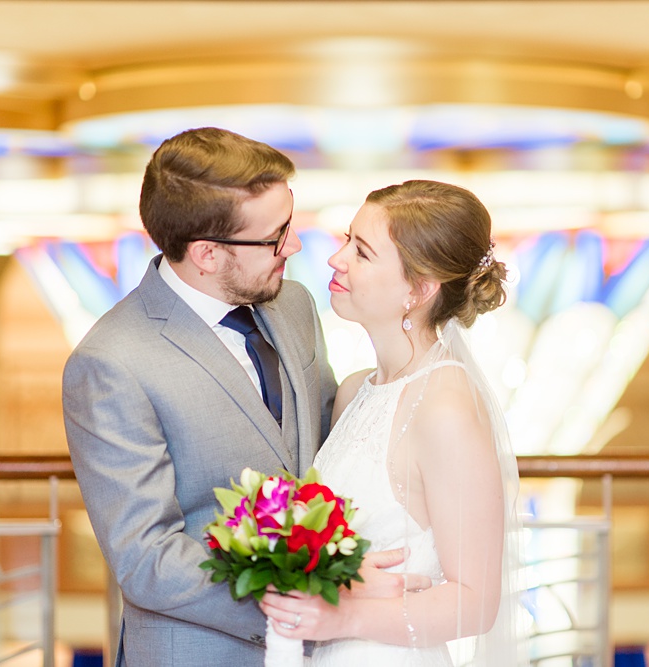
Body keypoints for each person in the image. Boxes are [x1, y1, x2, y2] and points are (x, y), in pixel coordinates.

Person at [63, 128, 426, 666]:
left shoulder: (293, 305)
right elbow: (147, 561)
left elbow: (326, 453)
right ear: (207, 253)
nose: (297, 247)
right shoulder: (111, 362)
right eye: (276, 236)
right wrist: (318, 596)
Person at [260, 180, 526, 666]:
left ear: (419, 289)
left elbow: (476, 602)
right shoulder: (353, 391)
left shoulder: (445, 407)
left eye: (361, 252)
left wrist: (343, 618)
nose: (335, 259)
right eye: (346, 240)